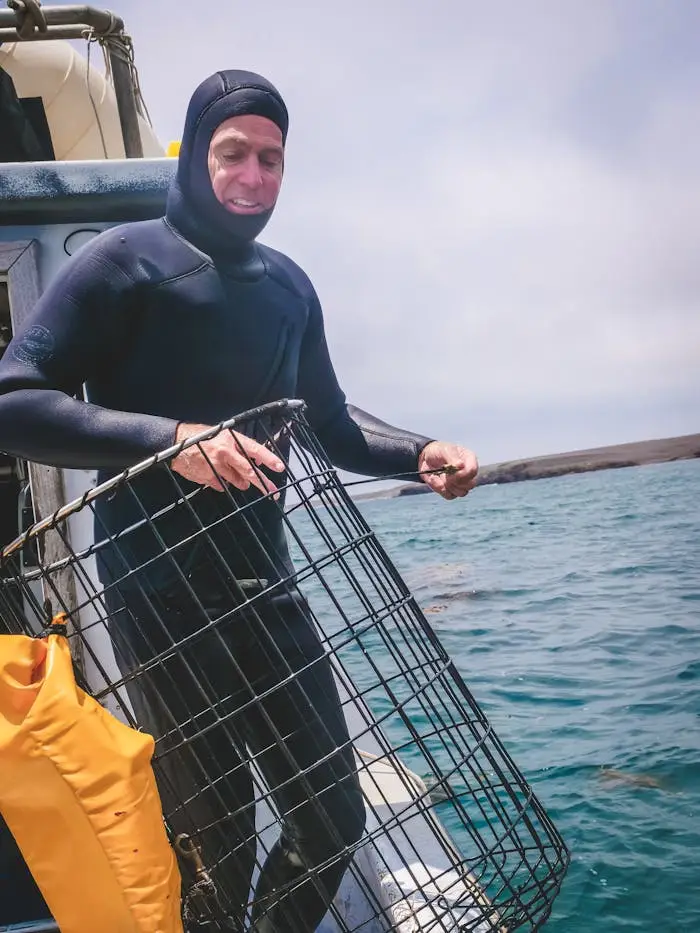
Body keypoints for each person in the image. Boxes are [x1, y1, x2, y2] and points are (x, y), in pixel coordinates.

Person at [0, 71, 478, 932]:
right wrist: (172, 438)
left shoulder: (290, 288)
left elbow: (329, 423)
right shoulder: (126, 262)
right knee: (212, 840)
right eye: (232, 154)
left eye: (271, 159)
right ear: (195, 155)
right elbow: (14, 399)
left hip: (270, 590)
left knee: (333, 817)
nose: (253, 177)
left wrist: (419, 450)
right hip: (161, 600)